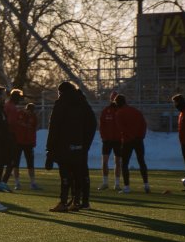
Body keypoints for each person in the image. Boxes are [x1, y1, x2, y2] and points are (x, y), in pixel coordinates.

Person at [46, 81, 93, 212]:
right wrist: (85, 143)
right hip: (79, 145)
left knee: (65, 174)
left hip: (63, 145)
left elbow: (54, 127)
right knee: (78, 173)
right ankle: (76, 202)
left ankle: (63, 202)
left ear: (61, 92)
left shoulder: (61, 103)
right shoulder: (82, 102)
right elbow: (92, 123)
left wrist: (50, 148)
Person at [114, 94, 150, 193]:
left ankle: (127, 187)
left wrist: (130, 136)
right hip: (139, 139)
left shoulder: (119, 113)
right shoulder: (136, 111)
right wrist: (141, 136)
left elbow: (122, 128)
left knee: (124, 163)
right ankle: (146, 185)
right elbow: (143, 124)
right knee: (141, 161)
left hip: (127, 141)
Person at [13, 102, 42, 190]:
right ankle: (17, 183)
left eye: (32, 112)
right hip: (18, 142)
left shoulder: (34, 117)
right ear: (26, 109)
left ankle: (32, 183)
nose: (30, 113)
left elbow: (34, 129)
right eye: (29, 111)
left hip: (29, 143)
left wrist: (33, 142)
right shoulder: (19, 114)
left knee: (30, 163)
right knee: (16, 163)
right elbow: (14, 125)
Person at [0, 88, 23, 191]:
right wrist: (20, 123)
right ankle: (3, 182)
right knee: (11, 161)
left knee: (4, 161)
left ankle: (0, 181)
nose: (20, 101)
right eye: (19, 98)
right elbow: (11, 122)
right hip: (10, 136)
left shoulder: (7, 105)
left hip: (5, 136)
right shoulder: (12, 107)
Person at [97, 92, 122, 191]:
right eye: (113, 99)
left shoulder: (121, 111)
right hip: (107, 140)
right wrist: (103, 137)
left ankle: (117, 184)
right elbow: (102, 126)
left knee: (118, 162)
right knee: (104, 162)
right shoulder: (106, 111)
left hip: (118, 140)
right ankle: (105, 183)